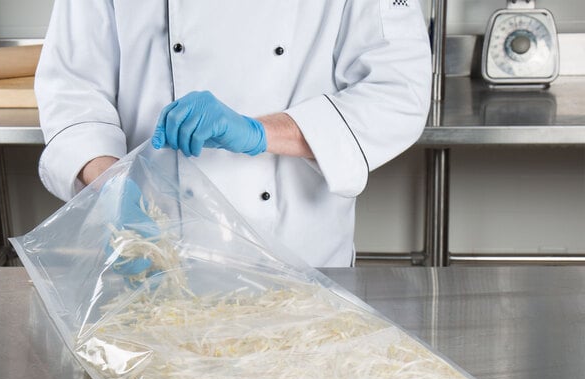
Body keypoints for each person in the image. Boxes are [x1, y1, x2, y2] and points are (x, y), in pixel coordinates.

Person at [35, 0, 432, 268]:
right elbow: (73, 88)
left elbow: (397, 92)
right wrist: (113, 191)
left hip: (299, 259)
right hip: (153, 246)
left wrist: (260, 132)